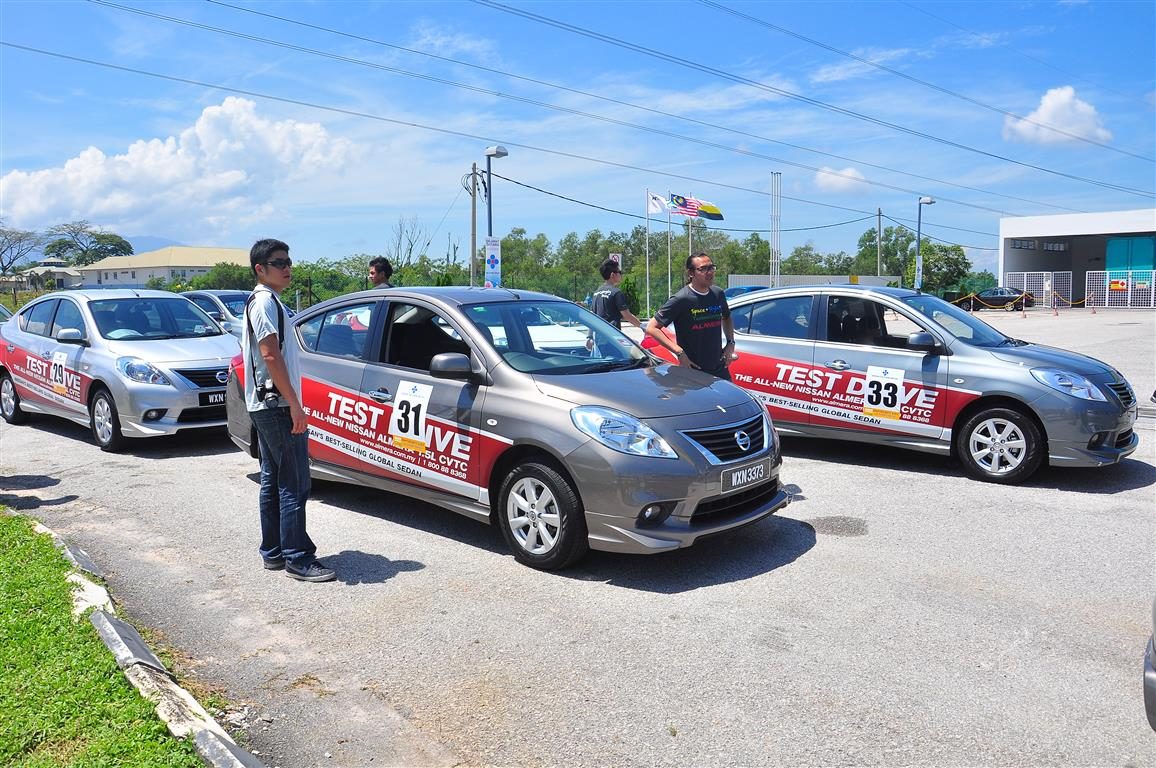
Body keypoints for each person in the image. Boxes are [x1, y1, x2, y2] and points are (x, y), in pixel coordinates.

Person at [244, 239, 335, 583]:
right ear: (260, 269)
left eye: (288, 261)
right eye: (279, 262)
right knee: (294, 482)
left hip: (266, 404)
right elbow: (270, 355)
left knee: (273, 478)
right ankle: (298, 557)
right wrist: (294, 404)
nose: (287, 268)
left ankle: (274, 552)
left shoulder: (265, 301)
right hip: (277, 404)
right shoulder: (265, 303)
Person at [644, 252, 736, 380]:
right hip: (694, 370)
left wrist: (730, 342)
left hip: (719, 368)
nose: (709, 272)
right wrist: (679, 352)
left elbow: (726, 317)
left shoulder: (718, 294)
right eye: (703, 269)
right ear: (691, 273)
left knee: (731, 399)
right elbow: (651, 327)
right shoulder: (682, 299)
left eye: (711, 267)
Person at [591, 259, 641, 330]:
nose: (621, 275)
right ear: (612, 275)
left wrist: (590, 336)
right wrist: (643, 326)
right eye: (619, 272)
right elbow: (627, 315)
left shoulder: (596, 293)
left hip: (599, 335)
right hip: (612, 334)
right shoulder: (616, 292)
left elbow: (592, 316)